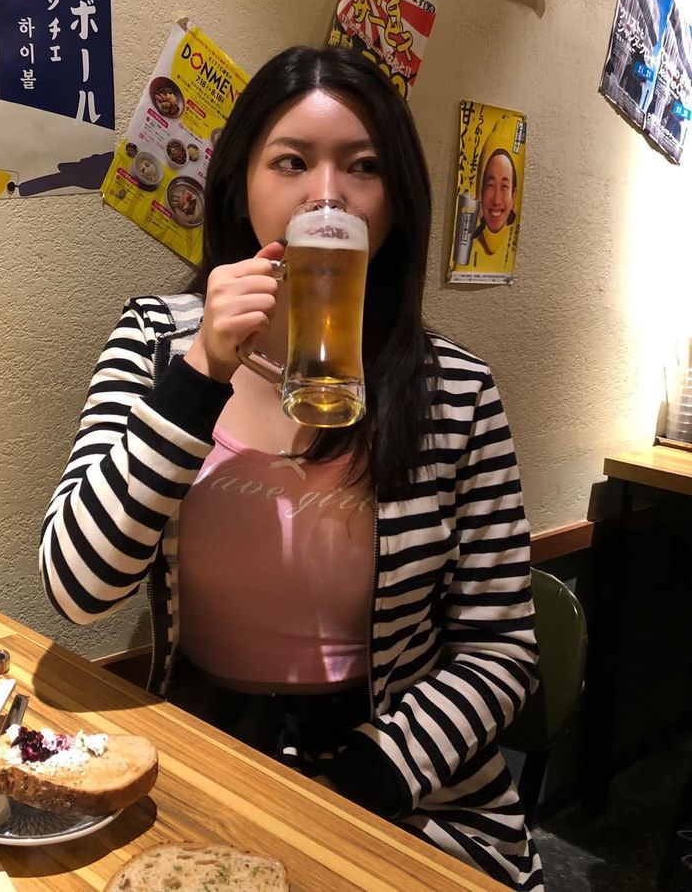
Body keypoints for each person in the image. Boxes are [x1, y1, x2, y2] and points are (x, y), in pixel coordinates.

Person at [40, 45, 542, 891]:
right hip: (206, 752)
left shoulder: (456, 389)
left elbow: (501, 645)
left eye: (363, 166)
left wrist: (364, 779)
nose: (327, 195)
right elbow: (77, 587)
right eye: (292, 162)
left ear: (395, 202)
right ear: (241, 185)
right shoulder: (156, 340)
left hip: (402, 786)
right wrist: (202, 370)